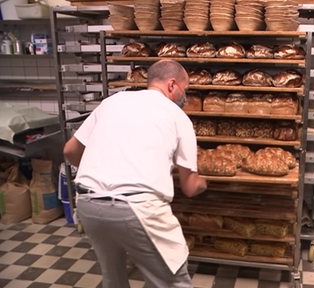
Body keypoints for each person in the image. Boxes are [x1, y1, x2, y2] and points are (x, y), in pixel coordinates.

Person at [63, 59, 207, 288]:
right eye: (185, 89)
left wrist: (104, 172)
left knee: (114, 280)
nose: (185, 96)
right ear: (172, 85)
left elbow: (70, 150)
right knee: (174, 280)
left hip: (88, 204)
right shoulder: (178, 117)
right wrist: (202, 182)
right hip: (138, 208)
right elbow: (189, 188)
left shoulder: (113, 102)